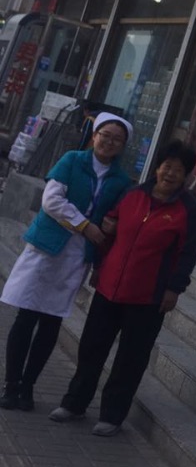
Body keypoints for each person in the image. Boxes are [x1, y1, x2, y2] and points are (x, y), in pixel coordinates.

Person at [50, 140, 196, 436]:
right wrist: (99, 266)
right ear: (157, 168)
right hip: (109, 287)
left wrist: (174, 289)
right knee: (91, 349)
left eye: (178, 170)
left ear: (186, 176)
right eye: (167, 166)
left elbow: (188, 254)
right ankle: (74, 404)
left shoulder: (188, 212)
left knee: (130, 359)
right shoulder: (132, 195)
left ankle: (112, 415)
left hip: (148, 297)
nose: (170, 173)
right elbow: (109, 230)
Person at [0, 112, 133, 411]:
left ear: (123, 146)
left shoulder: (121, 181)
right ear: (94, 135)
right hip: (47, 247)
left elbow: (114, 220)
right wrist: (85, 225)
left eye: (117, 139)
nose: (109, 142)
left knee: (51, 321)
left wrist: (104, 242)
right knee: (26, 316)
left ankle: (28, 387)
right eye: (105, 135)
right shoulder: (72, 160)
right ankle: (11, 385)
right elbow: (51, 200)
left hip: (77, 256)